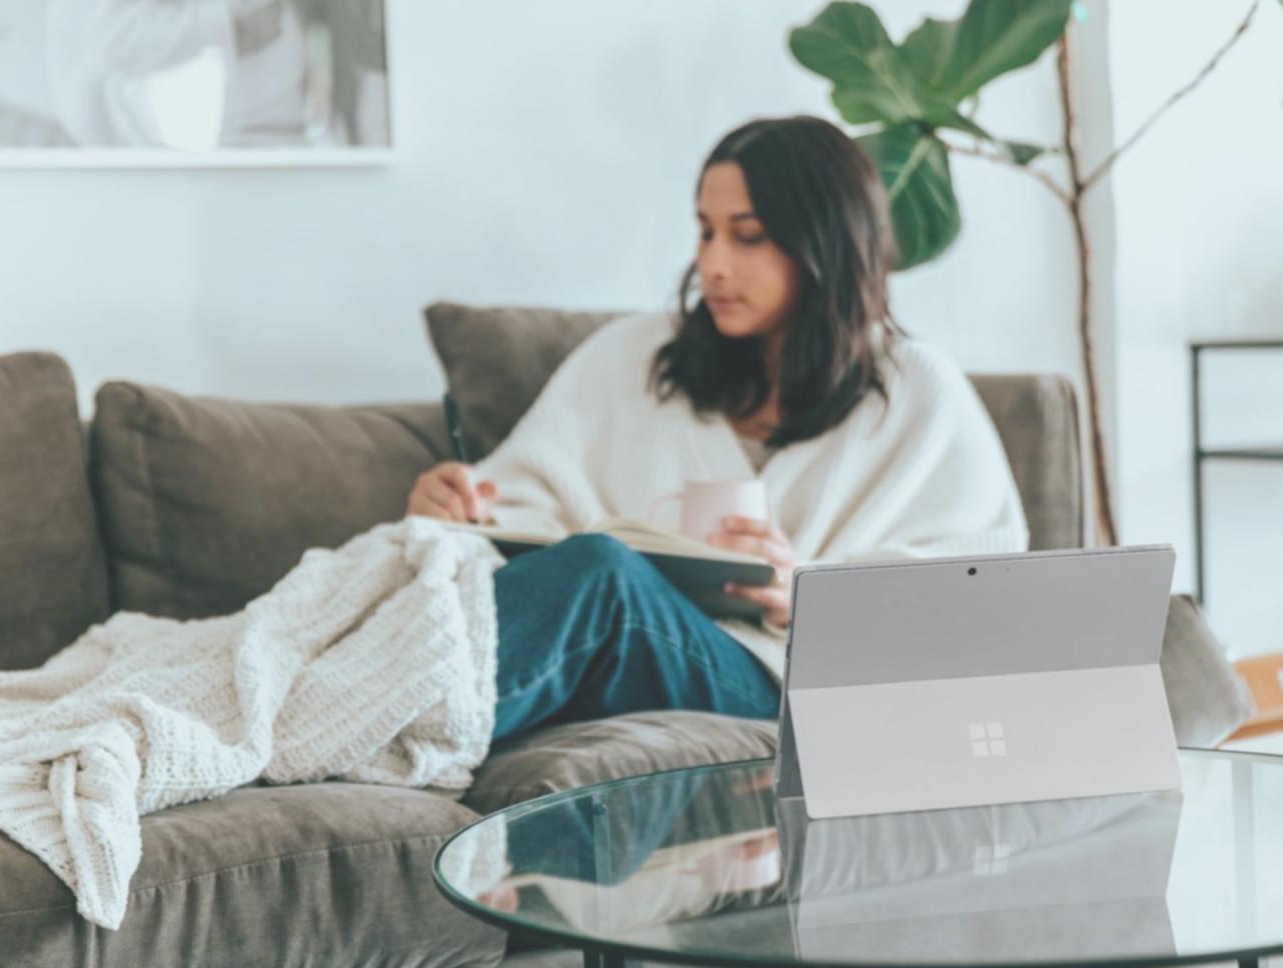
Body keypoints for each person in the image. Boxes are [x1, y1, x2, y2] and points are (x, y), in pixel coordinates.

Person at [406, 115, 1028, 742]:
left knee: (605, 576)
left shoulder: (917, 391)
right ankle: (387, 715)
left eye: (748, 236)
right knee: (584, 574)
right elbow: (521, 505)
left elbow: (983, 599)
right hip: (618, 665)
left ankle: (393, 725)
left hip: (780, 681)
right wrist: (463, 507)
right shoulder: (635, 356)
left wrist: (809, 597)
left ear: (827, 242)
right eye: (705, 233)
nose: (713, 264)